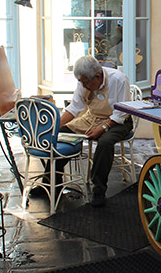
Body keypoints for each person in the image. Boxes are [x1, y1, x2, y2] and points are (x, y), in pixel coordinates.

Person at [48, 55, 133, 207]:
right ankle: (50, 181)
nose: (83, 85)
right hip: (92, 117)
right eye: (81, 82)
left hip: (118, 120)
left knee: (105, 142)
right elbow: (74, 108)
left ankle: (99, 190)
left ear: (98, 76)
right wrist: (53, 128)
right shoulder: (84, 81)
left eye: (85, 82)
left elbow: (121, 113)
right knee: (59, 134)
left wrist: (102, 129)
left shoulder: (119, 79)